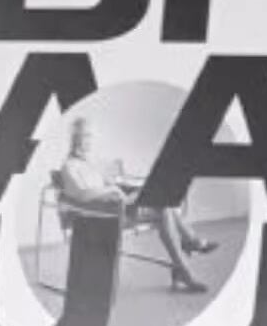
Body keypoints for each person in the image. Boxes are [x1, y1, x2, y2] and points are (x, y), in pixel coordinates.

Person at [56, 115, 219, 294]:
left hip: (116, 208)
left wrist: (120, 188)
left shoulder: (88, 164)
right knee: (164, 209)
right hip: (102, 217)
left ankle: (187, 257)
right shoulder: (69, 167)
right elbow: (82, 195)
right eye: (85, 136)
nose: (89, 141)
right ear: (75, 138)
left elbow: (103, 186)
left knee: (163, 202)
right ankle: (189, 251)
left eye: (90, 136)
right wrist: (112, 191)